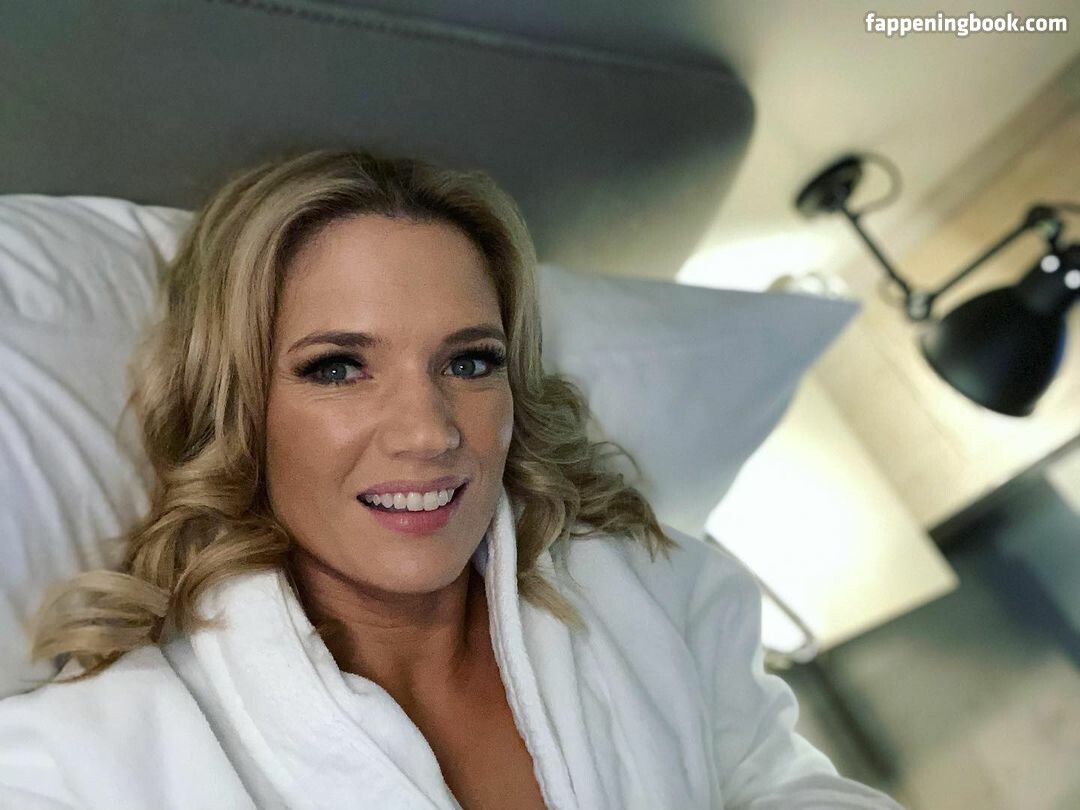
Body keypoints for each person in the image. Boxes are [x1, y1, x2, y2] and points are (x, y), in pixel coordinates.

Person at [0, 150, 904, 809]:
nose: (430, 432)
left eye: (470, 362)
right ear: (239, 407)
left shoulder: (665, 599)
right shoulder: (81, 767)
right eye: (337, 368)